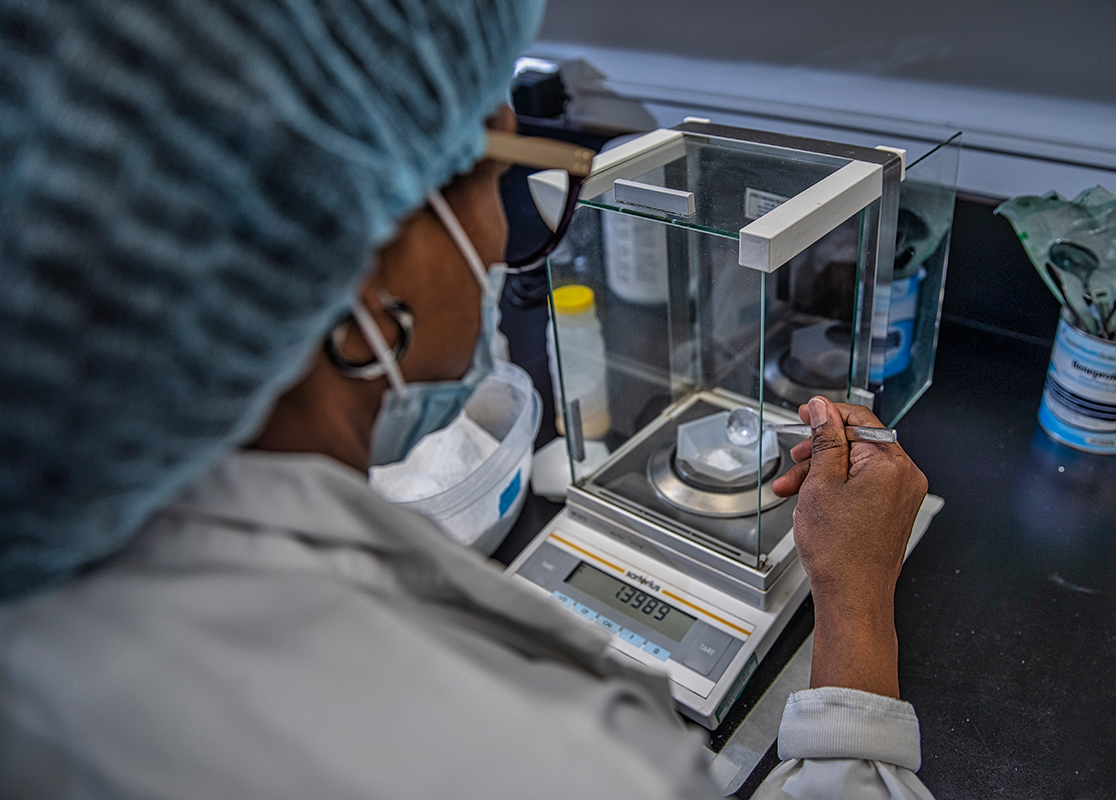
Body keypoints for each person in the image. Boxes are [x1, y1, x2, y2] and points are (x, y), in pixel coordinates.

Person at [0, 0, 932, 797]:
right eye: (495, 169)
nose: (501, 233)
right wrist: (854, 606)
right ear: (347, 256)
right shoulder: (561, 762)